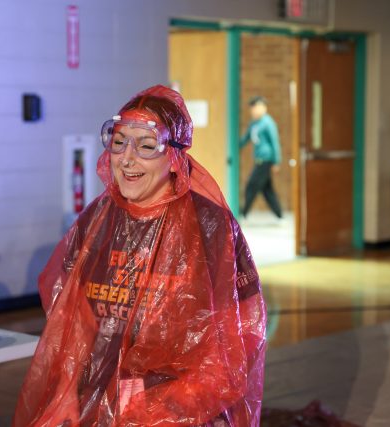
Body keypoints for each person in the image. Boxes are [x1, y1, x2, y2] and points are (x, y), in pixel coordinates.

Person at [13, 85, 266, 427]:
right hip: (101, 396)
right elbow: (74, 323)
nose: (128, 159)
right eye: (119, 143)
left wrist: (190, 407)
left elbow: (239, 330)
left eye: (146, 146)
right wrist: (67, 393)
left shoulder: (209, 224)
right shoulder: (97, 220)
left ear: (175, 156)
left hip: (182, 406)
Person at [240, 96, 282, 220]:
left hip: (266, 160)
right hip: (258, 159)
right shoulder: (253, 124)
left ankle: (243, 213)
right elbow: (245, 139)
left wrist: (276, 161)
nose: (253, 110)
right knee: (267, 190)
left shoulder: (268, 123)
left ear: (263, 108)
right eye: (252, 108)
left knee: (251, 185)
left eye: (256, 107)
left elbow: (275, 142)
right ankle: (280, 215)